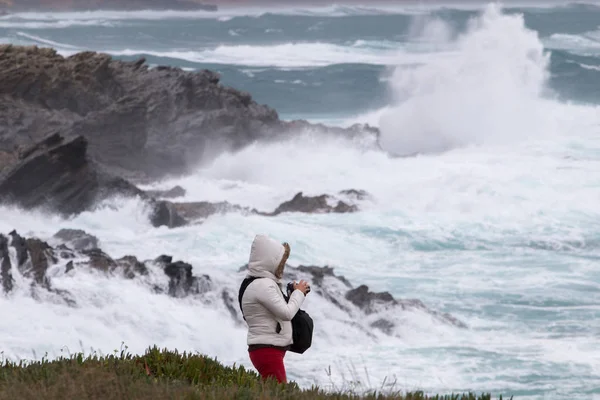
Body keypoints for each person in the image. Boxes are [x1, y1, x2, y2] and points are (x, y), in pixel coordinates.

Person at [240, 234, 311, 384]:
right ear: (270, 262)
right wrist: (299, 293)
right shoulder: (263, 285)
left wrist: (292, 295)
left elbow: (275, 311)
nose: (282, 268)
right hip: (267, 351)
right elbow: (286, 313)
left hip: (266, 349)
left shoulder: (257, 283)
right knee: (279, 393)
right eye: (281, 263)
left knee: (270, 391)